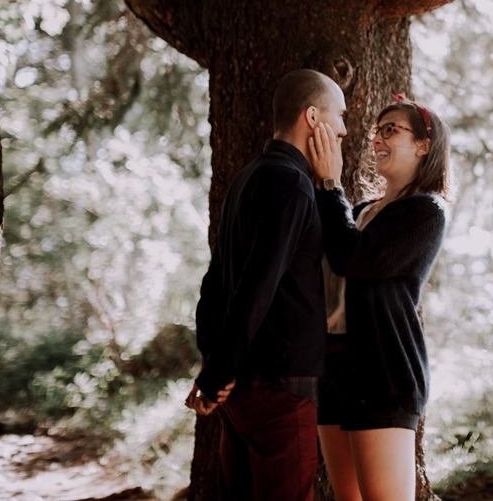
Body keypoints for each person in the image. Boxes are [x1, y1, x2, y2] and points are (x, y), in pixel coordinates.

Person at [186, 68, 347, 501]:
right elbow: (255, 288)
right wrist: (217, 373)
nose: (344, 130)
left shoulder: (245, 178)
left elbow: (213, 286)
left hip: (239, 393)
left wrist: (216, 370)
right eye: (339, 116)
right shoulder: (294, 185)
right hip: (281, 389)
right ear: (313, 117)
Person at [306, 93, 451, 501]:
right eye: (376, 131)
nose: (377, 140)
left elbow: (356, 258)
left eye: (391, 130)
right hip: (333, 368)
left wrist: (330, 183)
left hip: (383, 371)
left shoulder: (427, 210)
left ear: (424, 145)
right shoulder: (361, 209)